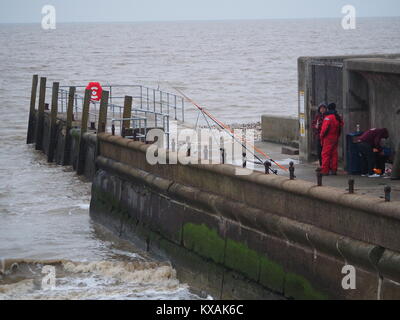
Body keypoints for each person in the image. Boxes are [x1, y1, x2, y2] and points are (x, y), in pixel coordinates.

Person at [320, 103, 343, 175]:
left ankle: (325, 171)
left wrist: (321, 136)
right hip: (335, 137)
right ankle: (334, 170)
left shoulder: (328, 117)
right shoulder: (337, 117)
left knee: (325, 154)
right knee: (334, 154)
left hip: (328, 138)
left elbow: (324, 129)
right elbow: (341, 124)